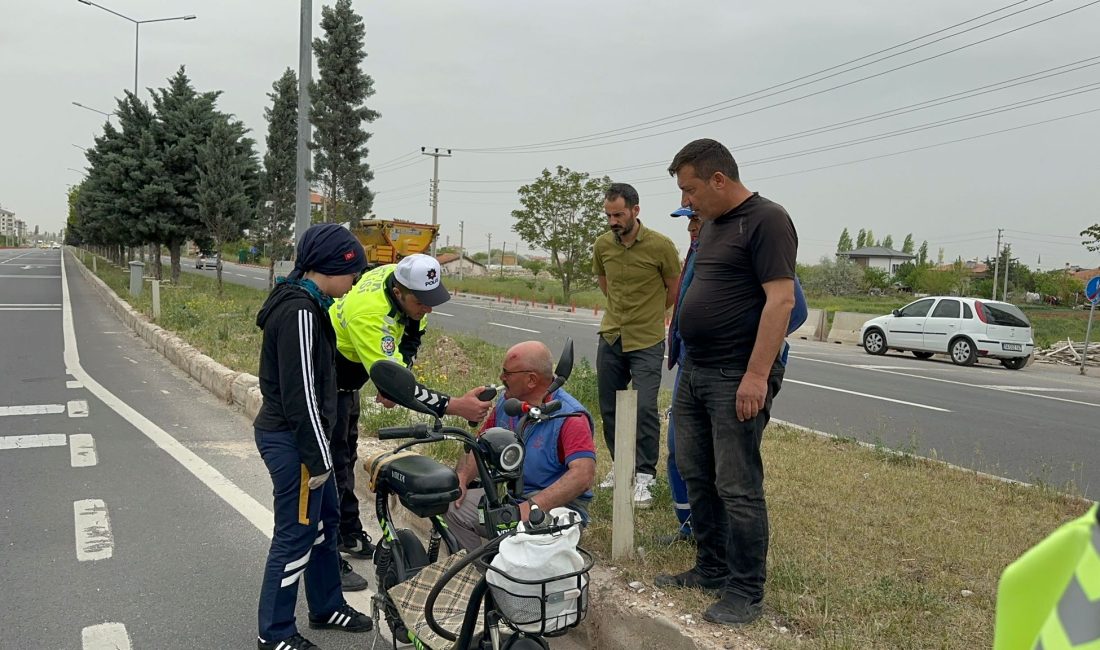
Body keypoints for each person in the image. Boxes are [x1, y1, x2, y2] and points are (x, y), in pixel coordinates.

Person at [654, 139, 798, 627]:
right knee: (695, 470)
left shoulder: (768, 220)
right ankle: (711, 566)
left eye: (690, 189)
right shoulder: (713, 225)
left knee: (738, 484)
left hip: (737, 373)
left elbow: (780, 302)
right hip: (697, 370)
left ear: (719, 179)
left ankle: (745, 589)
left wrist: (756, 376)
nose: (685, 202)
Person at [328, 253, 493, 578]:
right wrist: (454, 405)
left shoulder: (405, 282)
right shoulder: (370, 315)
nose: (429, 308)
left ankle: (347, 531)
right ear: (400, 292)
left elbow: (411, 336)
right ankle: (328, 559)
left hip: (352, 376)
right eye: (423, 302)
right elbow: (405, 392)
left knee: (346, 456)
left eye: (433, 300)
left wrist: (396, 374)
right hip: (329, 374)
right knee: (329, 467)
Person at [253, 223, 374, 650]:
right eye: (353, 271)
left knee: (325, 526)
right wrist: (320, 461)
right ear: (332, 266)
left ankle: (326, 605)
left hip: (304, 440)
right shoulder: (301, 311)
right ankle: (276, 632)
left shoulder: (310, 302)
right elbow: (302, 396)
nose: (356, 280)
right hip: (296, 442)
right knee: (296, 533)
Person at [661, 208, 809, 546]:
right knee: (683, 455)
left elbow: (794, 310)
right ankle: (692, 528)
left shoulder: (747, 250)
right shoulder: (701, 250)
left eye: (697, 219)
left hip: (728, 372)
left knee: (729, 470)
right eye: (689, 222)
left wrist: (749, 350)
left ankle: (725, 544)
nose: (692, 227)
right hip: (692, 369)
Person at [444, 341, 597, 551]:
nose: (501, 378)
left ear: (531, 380)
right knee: (454, 506)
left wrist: (532, 507)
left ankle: (510, 576)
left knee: (526, 548)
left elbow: (583, 476)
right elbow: (480, 446)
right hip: (512, 500)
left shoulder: (570, 417)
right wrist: (461, 479)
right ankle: (479, 574)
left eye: (507, 373)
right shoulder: (507, 404)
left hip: (555, 509)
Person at [592, 182, 682, 508]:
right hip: (612, 335)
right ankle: (621, 466)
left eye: (618, 214)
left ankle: (645, 475)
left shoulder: (661, 246)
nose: (613, 221)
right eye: (609, 215)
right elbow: (605, 284)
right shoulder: (602, 245)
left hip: (647, 339)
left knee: (644, 407)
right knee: (610, 407)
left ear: (635, 210)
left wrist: (651, 314)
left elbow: (674, 289)